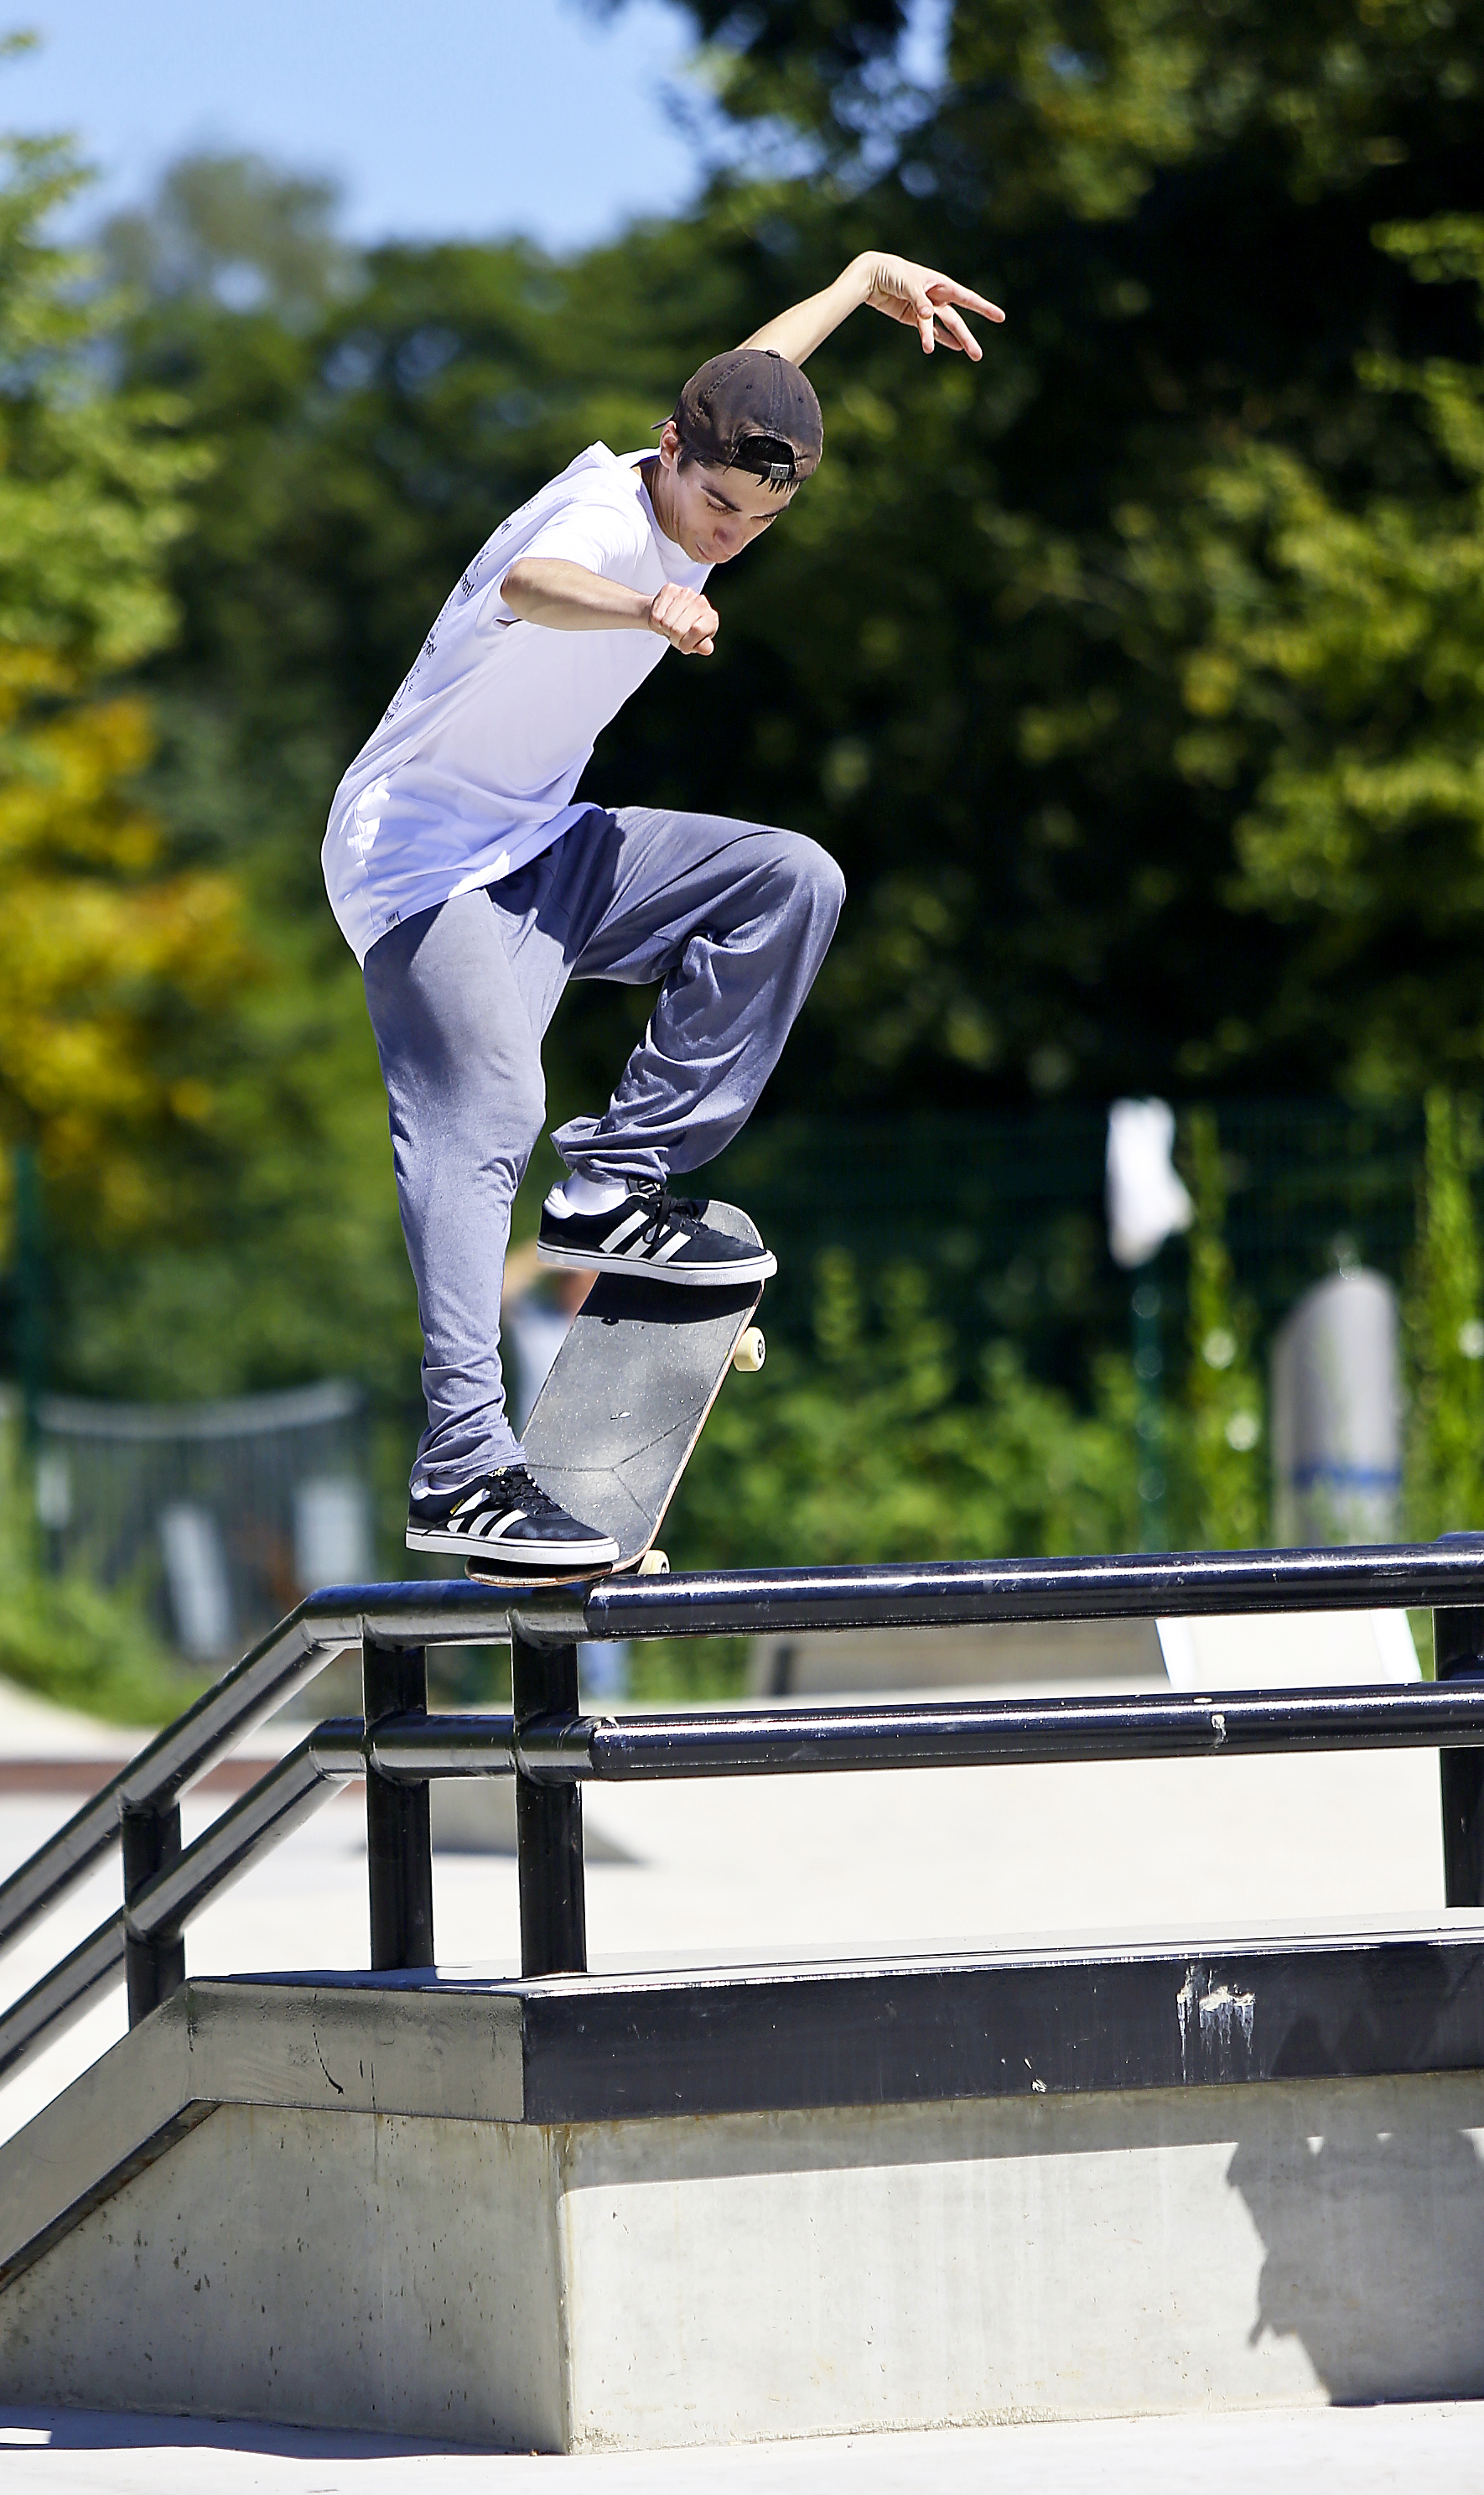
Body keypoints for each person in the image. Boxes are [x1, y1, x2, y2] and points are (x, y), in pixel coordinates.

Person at [324, 250, 1004, 1567]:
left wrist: (861, 281)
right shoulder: (593, 519)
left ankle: (615, 1184)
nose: (724, 538)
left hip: (545, 844)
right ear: (664, 451)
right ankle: (465, 1466)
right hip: (419, 863)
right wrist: (648, 601)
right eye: (711, 508)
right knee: (487, 1113)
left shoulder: (718, 451)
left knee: (789, 878)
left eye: (754, 526)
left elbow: (762, 370)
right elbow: (531, 588)